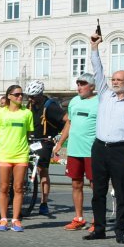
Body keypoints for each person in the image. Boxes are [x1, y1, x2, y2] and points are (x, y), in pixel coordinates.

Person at [85, 35, 124, 243]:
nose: (115, 82)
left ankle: (121, 231)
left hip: (122, 150)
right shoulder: (104, 94)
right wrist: (94, 47)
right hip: (100, 147)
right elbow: (97, 70)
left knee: (121, 193)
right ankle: (99, 229)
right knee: (98, 192)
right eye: (114, 80)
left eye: (120, 80)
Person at [53, 73, 99, 231]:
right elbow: (69, 124)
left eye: (83, 84)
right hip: (74, 150)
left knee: (96, 186)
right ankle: (78, 218)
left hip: (92, 151)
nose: (79, 87)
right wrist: (59, 144)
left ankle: (97, 219)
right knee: (76, 184)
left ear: (92, 86)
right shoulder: (74, 101)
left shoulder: (100, 102)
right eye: (78, 84)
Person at [0, 84, 33, 232]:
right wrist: (3, 143)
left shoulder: (27, 113)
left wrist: (20, 144)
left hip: (21, 154)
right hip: (4, 154)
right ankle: (3, 218)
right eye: (17, 94)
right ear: (9, 96)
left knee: (18, 188)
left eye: (21, 94)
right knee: (3, 187)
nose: (20, 97)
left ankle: (16, 219)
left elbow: (27, 134)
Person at [25, 79, 65, 217]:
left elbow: (67, 120)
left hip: (45, 140)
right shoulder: (29, 104)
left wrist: (59, 137)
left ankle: (44, 202)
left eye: (33, 96)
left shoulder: (51, 106)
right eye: (29, 96)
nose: (31, 99)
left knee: (42, 170)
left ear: (41, 94)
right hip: (30, 140)